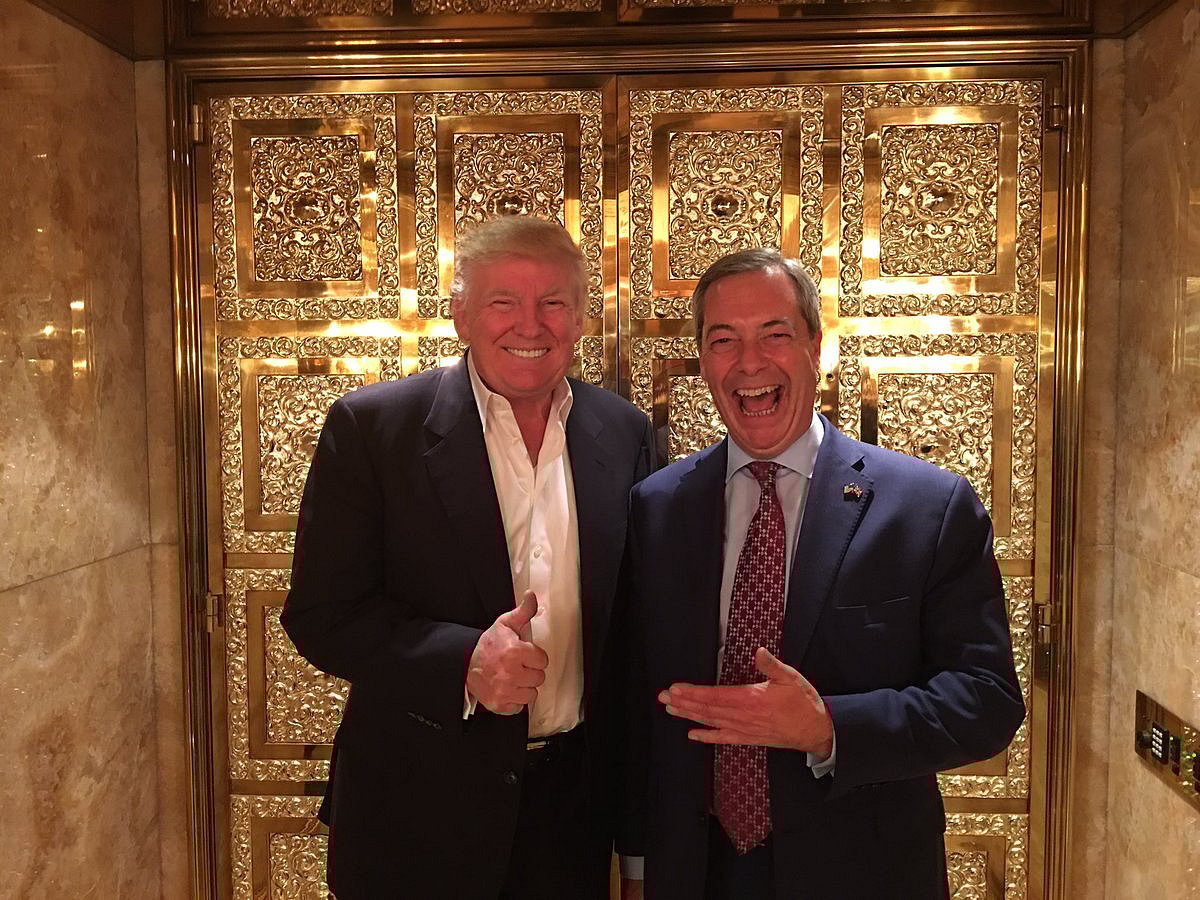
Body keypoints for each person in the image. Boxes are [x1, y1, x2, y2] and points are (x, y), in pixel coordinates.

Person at [616, 248, 1024, 899]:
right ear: (703, 360)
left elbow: (986, 703)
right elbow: (639, 705)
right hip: (698, 872)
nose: (749, 362)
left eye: (774, 335)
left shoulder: (927, 506)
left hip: (863, 874)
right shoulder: (658, 507)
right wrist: (636, 863)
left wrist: (829, 727)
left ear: (815, 345)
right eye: (724, 341)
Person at [283, 215, 656, 900]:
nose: (530, 324)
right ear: (460, 315)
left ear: (580, 319)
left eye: (552, 303)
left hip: (569, 821)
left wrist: (637, 842)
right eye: (503, 302)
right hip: (414, 819)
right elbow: (320, 615)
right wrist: (462, 662)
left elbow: (635, 638)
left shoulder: (625, 432)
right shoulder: (372, 428)